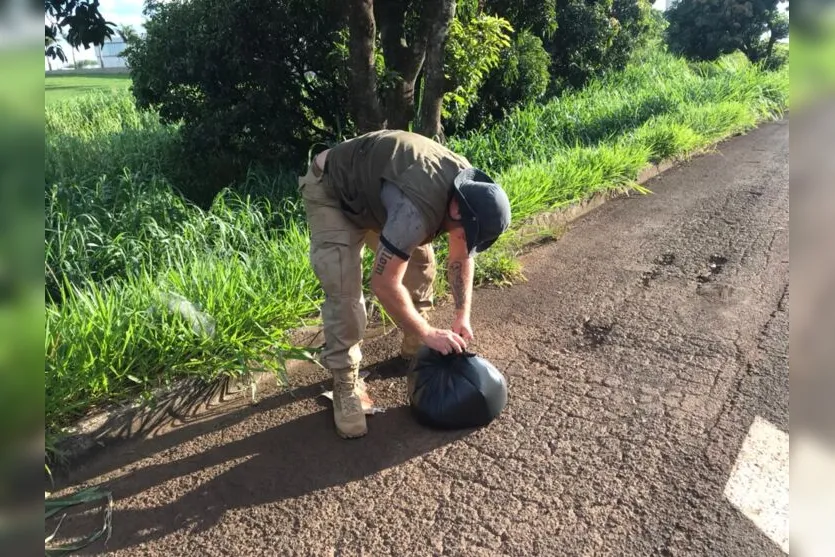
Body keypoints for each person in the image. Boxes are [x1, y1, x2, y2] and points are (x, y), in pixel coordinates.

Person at [297, 129, 511, 439]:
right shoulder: (417, 210)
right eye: (466, 233)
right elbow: (384, 284)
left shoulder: (469, 190)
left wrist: (462, 313)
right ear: (454, 209)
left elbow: (461, 256)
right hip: (333, 191)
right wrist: (429, 332)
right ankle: (345, 382)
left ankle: (416, 348)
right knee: (344, 291)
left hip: (381, 195)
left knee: (420, 265)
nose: (464, 241)